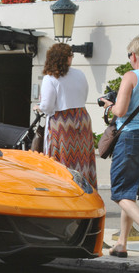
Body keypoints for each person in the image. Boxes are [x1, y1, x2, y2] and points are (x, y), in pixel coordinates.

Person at [101, 36, 139, 262]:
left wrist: (109, 104)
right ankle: (121, 244)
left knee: (119, 190)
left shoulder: (131, 76)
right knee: (131, 190)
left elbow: (121, 110)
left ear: (134, 56)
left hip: (131, 137)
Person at [34, 43, 97, 188]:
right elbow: (84, 95)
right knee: (83, 159)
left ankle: (63, 190)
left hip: (61, 121)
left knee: (62, 159)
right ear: (66, 58)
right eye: (71, 56)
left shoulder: (50, 78)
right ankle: (85, 190)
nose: (72, 58)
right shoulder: (80, 74)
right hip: (82, 118)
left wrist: (38, 107)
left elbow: (48, 105)